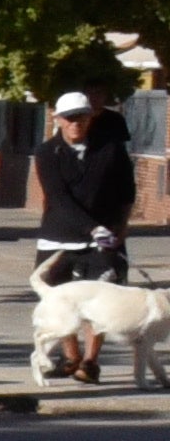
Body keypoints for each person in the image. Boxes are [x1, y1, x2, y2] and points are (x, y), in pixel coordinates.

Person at [35, 90, 134, 292]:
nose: (76, 123)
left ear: (90, 118)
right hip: (59, 239)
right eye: (69, 118)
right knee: (58, 305)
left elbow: (126, 189)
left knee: (104, 303)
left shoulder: (111, 149)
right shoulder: (47, 153)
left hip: (103, 242)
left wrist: (121, 224)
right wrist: (93, 228)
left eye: (81, 117)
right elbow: (58, 198)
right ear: (58, 119)